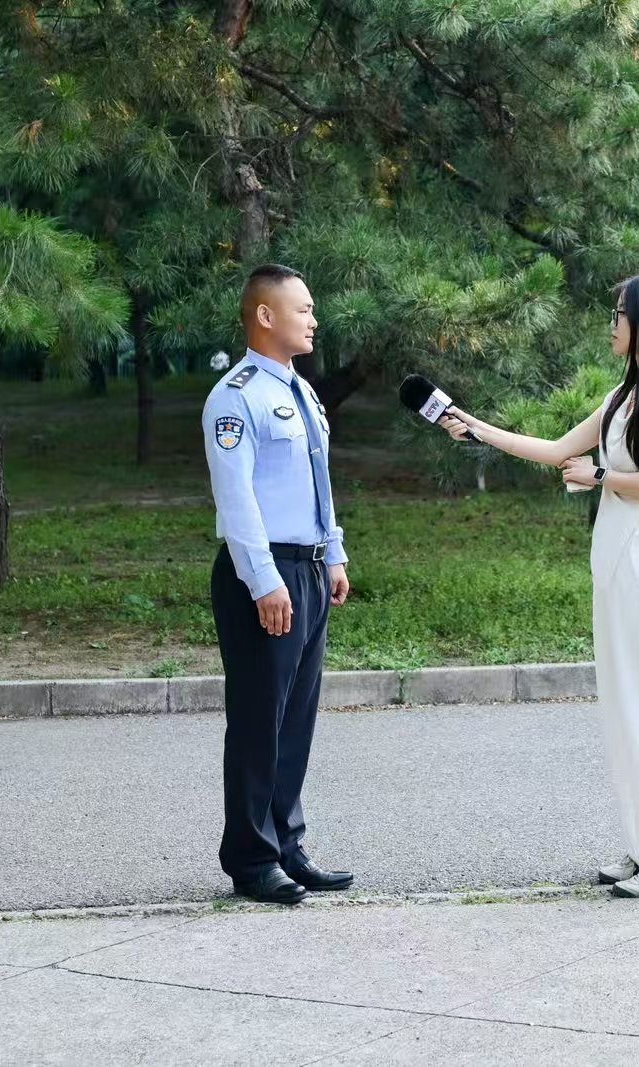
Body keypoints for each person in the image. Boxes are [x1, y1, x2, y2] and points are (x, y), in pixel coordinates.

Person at [439, 272, 639, 897]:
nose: (612, 323)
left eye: (620, 313)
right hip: (614, 558)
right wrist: (475, 427)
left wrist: (597, 476)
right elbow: (557, 448)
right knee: (622, 707)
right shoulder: (626, 393)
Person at [201, 264, 355, 904]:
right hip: (263, 573)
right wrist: (264, 581)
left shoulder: (301, 393)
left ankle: (287, 846)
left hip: (309, 568)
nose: (314, 320)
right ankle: (251, 858)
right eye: (304, 309)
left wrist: (333, 553)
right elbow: (236, 500)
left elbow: (318, 482)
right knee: (259, 720)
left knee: (295, 720)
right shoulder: (235, 397)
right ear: (266, 316)